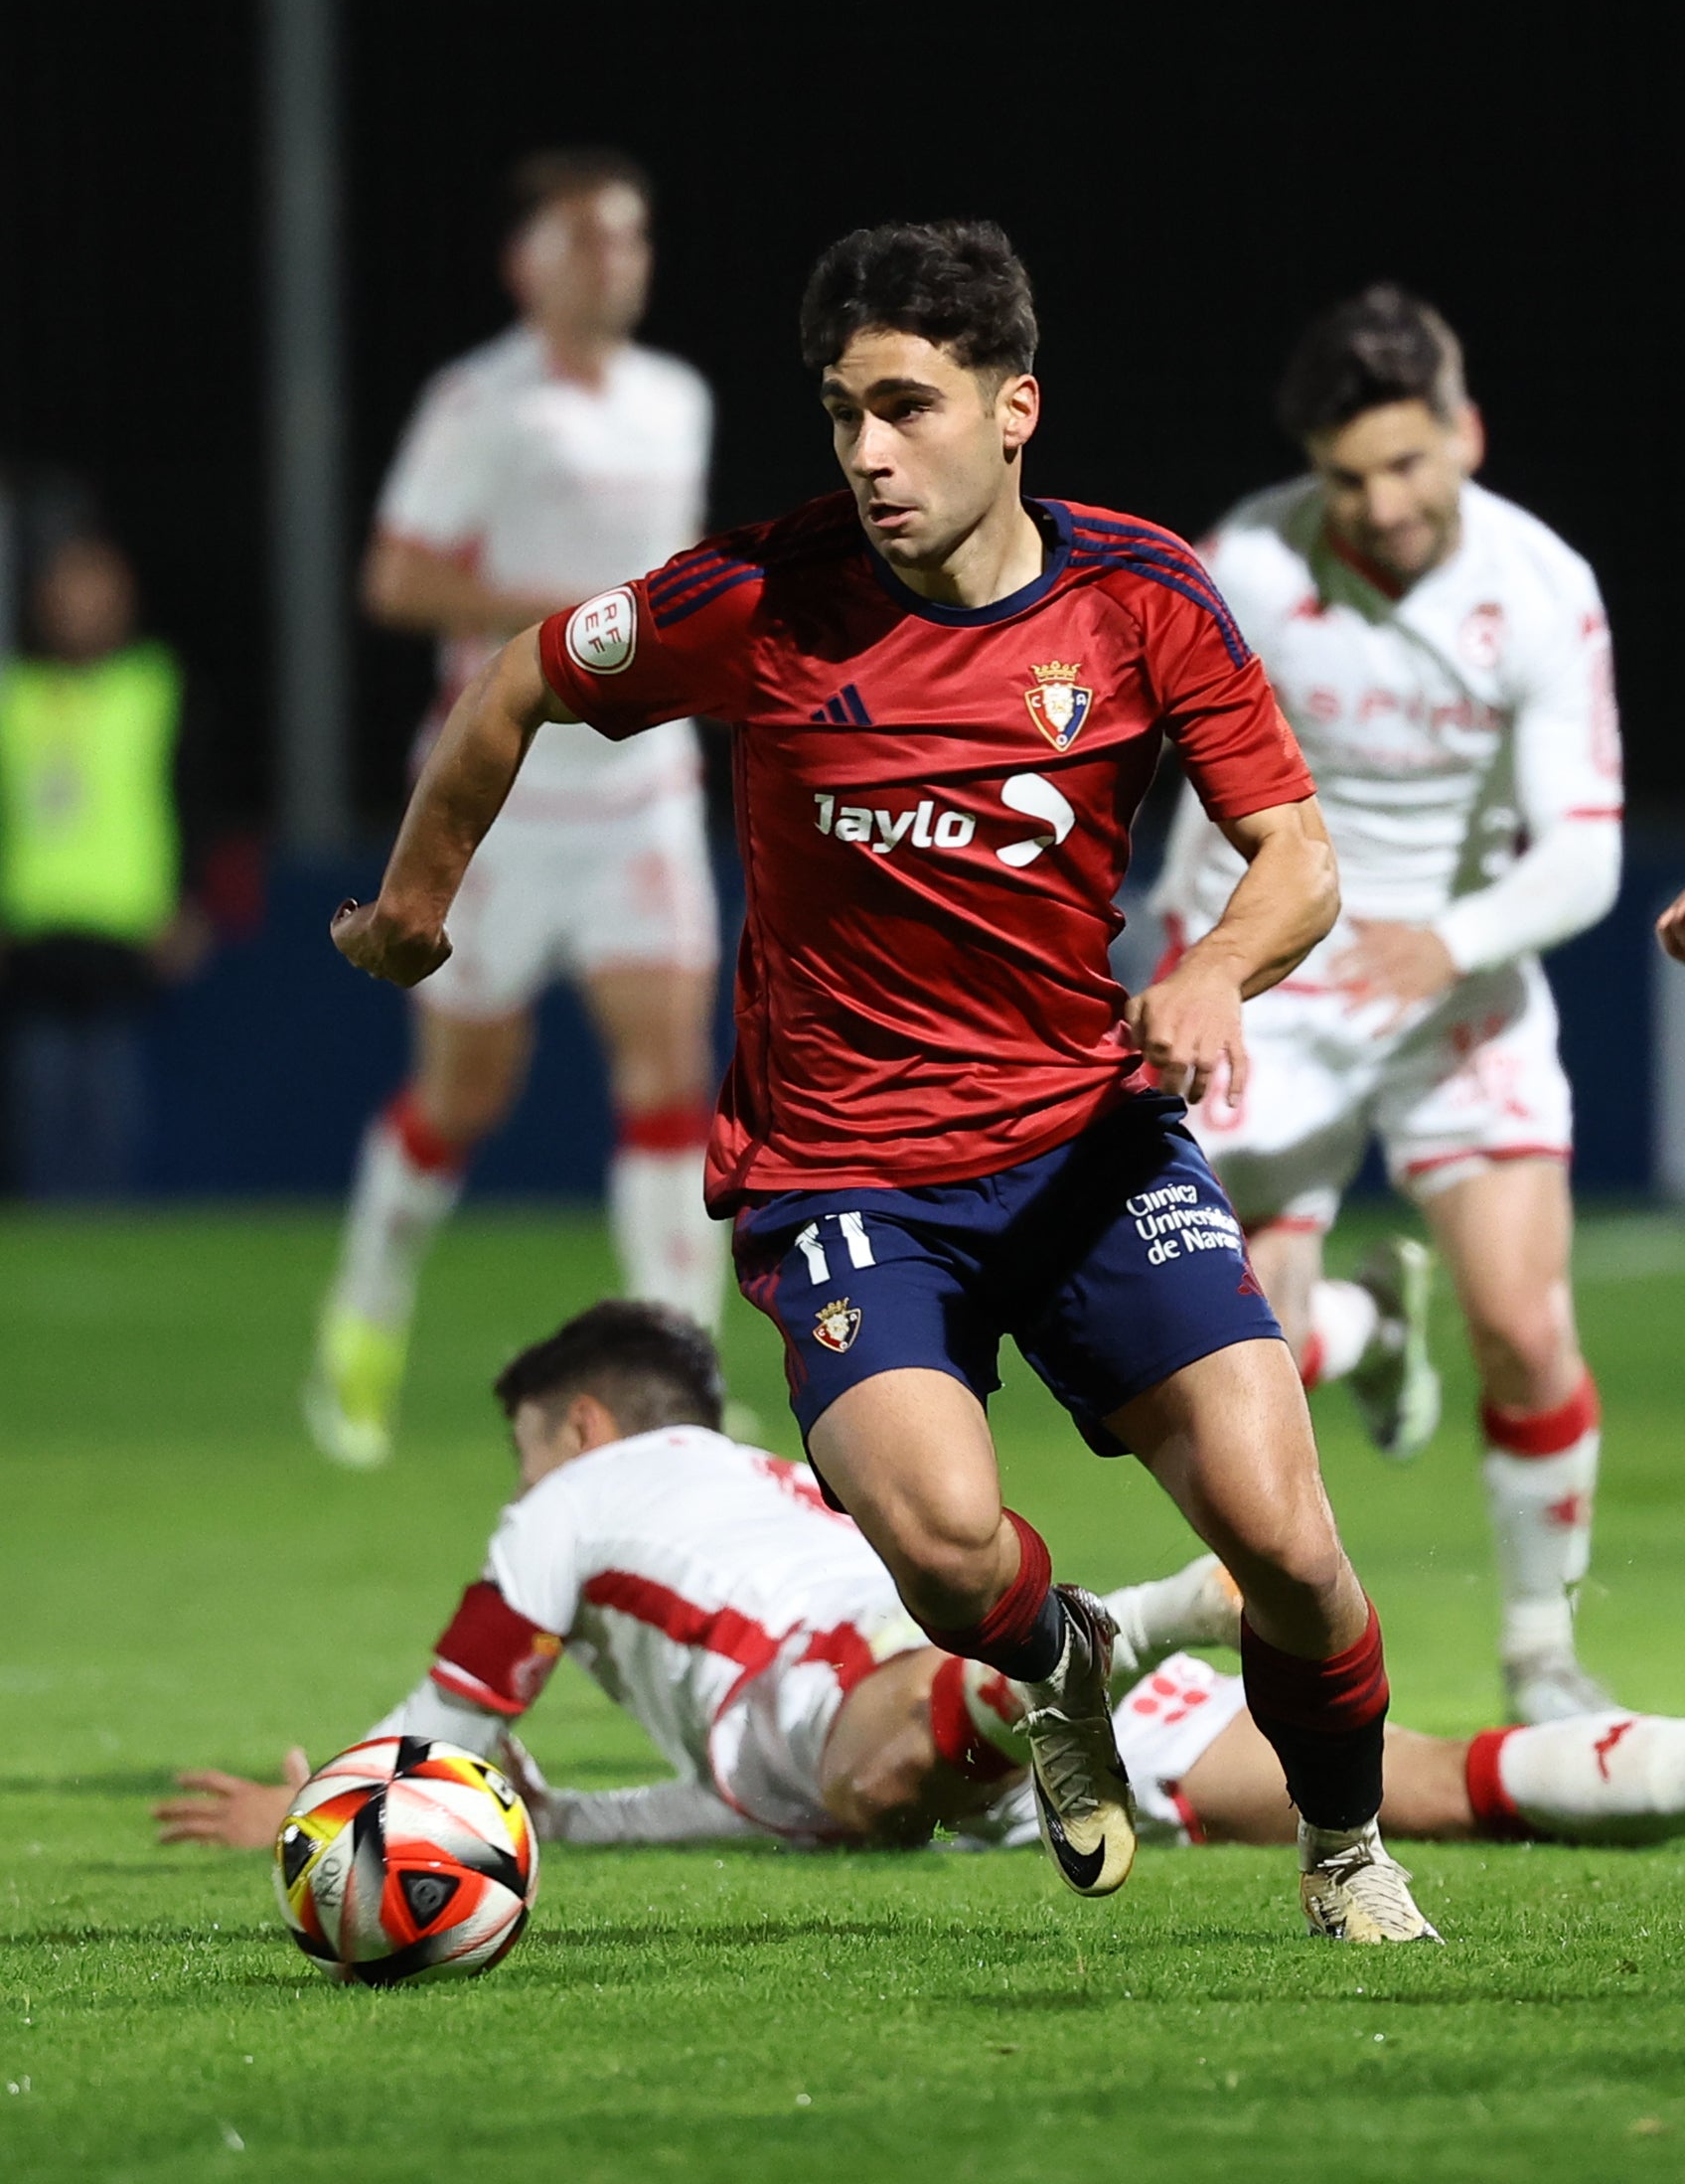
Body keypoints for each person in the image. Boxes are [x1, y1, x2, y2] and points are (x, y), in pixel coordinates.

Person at [328, 218, 1435, 1943]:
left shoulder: (1138, 600)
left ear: (1015, 411)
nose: (865, 451)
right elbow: (515, 683)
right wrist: (415, 906)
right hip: (845, 1179)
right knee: (938, 1542)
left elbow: (1292, 854)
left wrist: (1211, 972)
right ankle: (1060, 1664)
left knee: (1287, 1541)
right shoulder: (754, 599)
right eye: (843, 412)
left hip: (1085, 1145)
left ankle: (1347, 1848)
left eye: (906, 407)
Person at [155, 1301, 1685, 1865]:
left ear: (581, 1424)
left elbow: (453, 1721)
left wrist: (319, 1825)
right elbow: (774, 1812)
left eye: (522, 1453)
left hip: (873, 1685)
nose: (518, 1488)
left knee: (883, 1774)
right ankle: (1097, 1646)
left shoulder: (587, 1497)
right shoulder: (751, 1492)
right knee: (1424, 1787)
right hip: (971, 1713)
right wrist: (575, 1828)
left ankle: (1122, 1622)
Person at [1153, 284, 1624, 1728]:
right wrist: (1202, 972)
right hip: (1282, 987)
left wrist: (1449, 938)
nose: (1385, 503)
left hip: (1457, 991)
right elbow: (1189, 814)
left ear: (1464, 433)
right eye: (1351, 475)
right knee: (1233, 1370)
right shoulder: (1248, 563)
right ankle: (1360, 1318)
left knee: (1528, 1332)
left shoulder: (1542, 592)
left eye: (1411, 464)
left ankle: (1542, 1658)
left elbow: (1587, 853)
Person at [306, 148, 722, 1471]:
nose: (620, 260)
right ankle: (362, 1321)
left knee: (670, 1076)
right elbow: (395, 579)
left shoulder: (677, 399)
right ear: (527, 262)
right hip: (503, 796)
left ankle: (679, 1381)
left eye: (635, 237)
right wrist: (558, 618)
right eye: (591, 238)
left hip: (643, 791)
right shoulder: (479, 402)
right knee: (466, 1093)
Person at [0, 533, 213, 1196]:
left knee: (113, 1107)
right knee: (40, 1101)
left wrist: (190, 902)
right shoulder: (16, 696)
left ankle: (109, 1229)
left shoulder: (154, 687)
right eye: (68, 589)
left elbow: (196, 799)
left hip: (128, 931)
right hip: (34, 930)